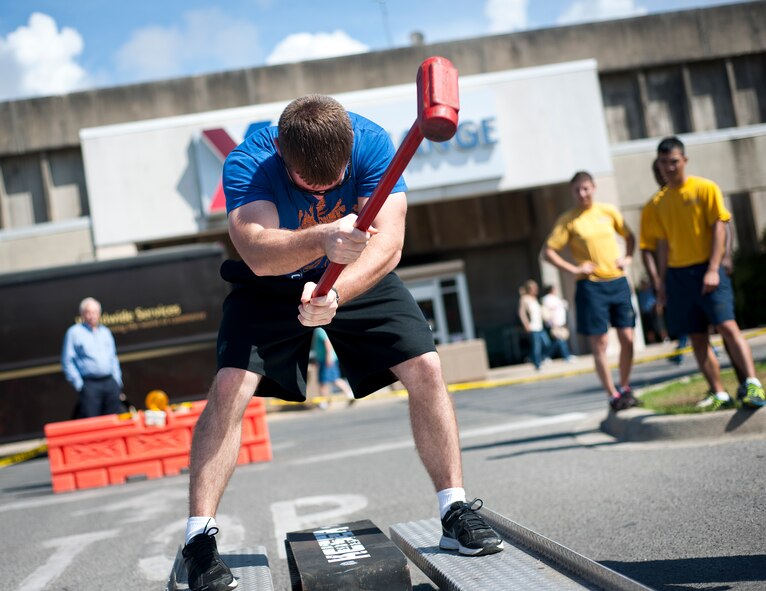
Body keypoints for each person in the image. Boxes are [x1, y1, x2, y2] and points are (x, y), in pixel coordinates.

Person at [180, 94, 503, 591]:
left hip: (352, 276)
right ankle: (198, 542)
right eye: (312, 186)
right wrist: (322, 236)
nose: (324, 190)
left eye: (334, 183)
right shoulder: (249, 160)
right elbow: (258, 253)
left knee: (426, 367)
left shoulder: (373, 144)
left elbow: (389, 243)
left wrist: (336, 292)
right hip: (272, 283)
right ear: (284, 160)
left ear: (349, 151)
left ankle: (455, 509)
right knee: (229, 388)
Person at [653, 136, 764, 411]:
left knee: (727, 325)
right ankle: (719, 392)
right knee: (697, 336)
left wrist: (715, 267)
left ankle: (752, 382)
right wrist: (663, 282)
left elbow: (721, 227)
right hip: (678, 276)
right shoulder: (659, 203)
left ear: (685, 161)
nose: (670, 167)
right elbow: (663, 244)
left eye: (674, 161)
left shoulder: (705, 188)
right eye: (664, 162)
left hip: (708, 269)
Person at [543, 171, 639, 411]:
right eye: (577, 190)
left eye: (586, 188)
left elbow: (630, 236)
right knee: (601, 343)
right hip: (590, 286)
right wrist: (574, 268)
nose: (582, 194)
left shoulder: (608, 212)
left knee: (627, 339)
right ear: (572, 192)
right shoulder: (568, 220)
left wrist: (627, 258)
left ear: (594, 187)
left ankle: (624, 386)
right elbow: (548, 251)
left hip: (617, 282)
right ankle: (612, 395)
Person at [61, 297, 125, 418]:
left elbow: (113, 358)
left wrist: (117, 381)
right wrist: (80, 385)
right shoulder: (74, 333)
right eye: (89, 312)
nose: (92, 316)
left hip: (110, 383)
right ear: (82, 314)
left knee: (113, 420)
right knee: (92, 421)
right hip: (90, 385)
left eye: (95, 312)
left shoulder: (105, 332)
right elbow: (67, 361)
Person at [312, 326, 355, 406]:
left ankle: (324, 402)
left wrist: (328, 357)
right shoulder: (318, 329)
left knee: (326, 381)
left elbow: (327, 342)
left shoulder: (320, 329)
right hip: (324, 360)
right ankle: (349, 394)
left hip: (326, 360)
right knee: (330, 380)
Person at [517, 279, 550, 370]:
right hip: (533, 327)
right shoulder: (524, 299)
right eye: (533, 288)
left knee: (547, 343)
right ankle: (537, 364)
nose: (535, 290)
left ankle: (532, 358)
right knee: (537, 346)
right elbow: (521, 313)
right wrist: (526, 324)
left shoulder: (535, 299)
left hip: (540, 326)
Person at [540, 284, 574, 361]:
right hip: (554, 323)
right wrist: (552, 323)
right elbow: (548, 311)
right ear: (551, 290)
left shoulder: (555, 298)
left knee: (558, 341)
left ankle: (546, 356)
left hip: (560, 322)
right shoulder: (547, 299)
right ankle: (567, 356)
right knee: (560, 340)